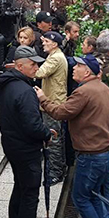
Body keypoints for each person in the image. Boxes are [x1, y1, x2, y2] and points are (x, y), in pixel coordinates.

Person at [36, 53, 109, 218]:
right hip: (108, 150)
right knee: (94, 194)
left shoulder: (83, 92)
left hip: (92, 154)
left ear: (87, 71)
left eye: (77, 66)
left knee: (81, 198)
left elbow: (60, 112)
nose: (73, 68)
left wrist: (43, 98)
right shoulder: (104, 88)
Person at [0, 46, 53, 218]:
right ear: (20, 66)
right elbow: (32, 126)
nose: (36, 68)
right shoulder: (25, 91)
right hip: (26, 149)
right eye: (33, 64)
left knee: (19, 188)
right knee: (30, 194)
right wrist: (46, 132)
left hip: (12, 144)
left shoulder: (6, 85)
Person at [35, 31, 68, 184]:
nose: (43, 44)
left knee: (53, 139)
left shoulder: (55, 58)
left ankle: (56, 172)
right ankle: (60, 167)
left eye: (46, 41)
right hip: (54, 102)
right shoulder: (56, 55)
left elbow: (39, 72)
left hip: (53, 103)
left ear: (54, 44)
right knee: (57, 138)